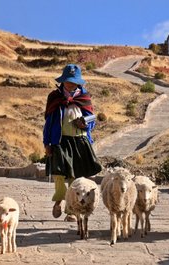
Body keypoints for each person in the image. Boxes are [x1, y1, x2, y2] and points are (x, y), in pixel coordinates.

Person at [43, 64, 102, 221]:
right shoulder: (54, 97)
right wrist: (47, 143)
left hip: (79, 142)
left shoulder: (84, 97)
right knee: (59, 175)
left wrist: (85, 124)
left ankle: (71, 210)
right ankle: (58, 201)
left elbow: (92, 119)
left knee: (74, 178)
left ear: (79, 82)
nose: (71, 84)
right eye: (68, 81)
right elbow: (48, 122)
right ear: (63, 81)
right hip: (59, 142)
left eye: (73, 81)